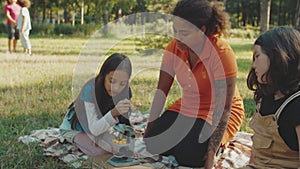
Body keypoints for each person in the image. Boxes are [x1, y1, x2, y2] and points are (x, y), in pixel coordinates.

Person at [143, 0, 244, 168]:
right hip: (188, 106)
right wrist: (149, 132)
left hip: (219, 112)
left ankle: (215, 147)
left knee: (191, 156)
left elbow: (224, 109)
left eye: (184, 33)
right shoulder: (173, 48)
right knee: (154, 144)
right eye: (174, 30)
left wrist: (210, 157)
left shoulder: (222, 54)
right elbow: (162, 92)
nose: (177, 37)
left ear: (202, 30)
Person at [241, 27, 300, 168]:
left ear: (277, 56)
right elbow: (258, 147)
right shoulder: (267, 95)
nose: (253, 65)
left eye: (257, 56)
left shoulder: (296, 105)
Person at [59, 53, 133, 156]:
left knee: (122, 146)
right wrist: (113, 113)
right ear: (103, 76)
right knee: (99, 151)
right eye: (112, 81)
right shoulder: (90, 90)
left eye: (122, 83)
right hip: (76, 129)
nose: (116, 88)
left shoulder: (125, 92)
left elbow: (124, 124)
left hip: (102, 129)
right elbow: (94, 129)